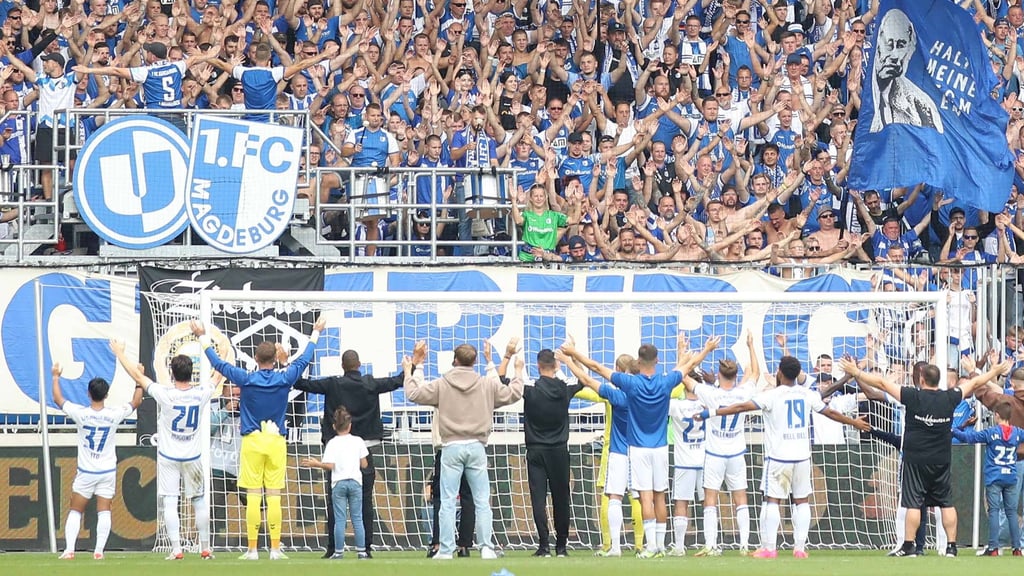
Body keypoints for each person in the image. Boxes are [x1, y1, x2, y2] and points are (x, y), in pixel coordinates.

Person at [839, 356, 1011, 557]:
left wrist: (856, 372)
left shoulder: (912, 395)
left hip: (915, 459)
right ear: (939, 381)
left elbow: (881, 383)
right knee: (946, 502)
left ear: (921, 380)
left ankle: (909, 545)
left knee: (913, 502)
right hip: (941, 458)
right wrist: (994, 370)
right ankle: (951, 547)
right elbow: (975, 382)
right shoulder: (950, 396)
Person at [192, 315, 325, 561]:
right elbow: (305, 359)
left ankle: (252, 549)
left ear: (255, 358)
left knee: (253, 495)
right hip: (276, 441)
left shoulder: (246, 379)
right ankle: (275, 548)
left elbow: (219, 365)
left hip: (252, 442)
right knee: (273, 495)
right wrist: (315, 332)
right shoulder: (285, 377)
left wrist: (202, 337)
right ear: (275, 359)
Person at [712, 356, 871, 559]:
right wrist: (853, 422)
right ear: (797, 373)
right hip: (802, 456)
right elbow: (829, 412)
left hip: (779, 457)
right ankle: (799, 548)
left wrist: (713, 412)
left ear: (779, 372)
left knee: (772, 501)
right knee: (802, 501)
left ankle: (769, 548)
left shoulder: (772, 395)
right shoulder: (807, 394)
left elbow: (740, 407)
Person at [563, 334, 705, 558]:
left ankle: (617, 547)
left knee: (616, 497)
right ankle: (652, 544)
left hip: (624, 450)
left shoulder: (619, 394)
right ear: (655, 362)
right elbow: (682, 373)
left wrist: (571, 358)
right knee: (655, 496)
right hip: (657, 448)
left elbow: (589, 378)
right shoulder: (664, 386)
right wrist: (686, 352)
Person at [294, 341, 426, 558]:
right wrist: (414, 364)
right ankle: (365, 548)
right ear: (360, 365)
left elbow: (302, 384)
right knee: (365, 502)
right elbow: (397, 382)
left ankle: (332, 549)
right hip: (364, 449)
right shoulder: (370, 383)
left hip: (337, 453)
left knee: (334, 503)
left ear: (342, 366)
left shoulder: (332, 384)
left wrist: (284, 362)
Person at [403, 340, 525, 560]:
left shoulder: (442, 383)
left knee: (448, 502)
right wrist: (518, 371)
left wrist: (412, 368)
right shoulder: (486, 384)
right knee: (481, 501)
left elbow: (413, 394)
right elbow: (513, 394)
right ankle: (486, 547)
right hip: (477, 445)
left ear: (455, 359)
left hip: (451, 446)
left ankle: (447, 549)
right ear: (475, 361)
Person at [110, 339, 216, 560]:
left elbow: (137, 376)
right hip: (192, 456)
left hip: (168, 456)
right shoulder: (201, 393)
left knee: (170, 500)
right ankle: (205, 547)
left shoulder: (165, 394)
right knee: (198, 500)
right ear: (192, 373)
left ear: (172, 373)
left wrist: (120, 353)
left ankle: (176, 549)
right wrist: (219, 351)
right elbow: (218, 375)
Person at [51, 362, 143, 560]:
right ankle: (99, 551)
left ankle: (69, 550)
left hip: (86, 470)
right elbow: (135, 402)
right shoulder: (113, 415)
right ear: (106, 395)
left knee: (76, 509)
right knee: (104, 510)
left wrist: (56, 376)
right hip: (107, 470)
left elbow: (58, 399)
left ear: (88, 393)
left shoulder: (81, 414)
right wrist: (139, 380)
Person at [558, 348, 645, 557]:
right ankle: (642, 545)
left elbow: (585, 383)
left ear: (617, 369)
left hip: (615, 451)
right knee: (639, 498)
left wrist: (569, 362)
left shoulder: (613, 394)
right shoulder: (645, 390)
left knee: (610, 498)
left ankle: (609, 544)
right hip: (642, 450)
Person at [522, 349, 585, 557]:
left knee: (538, 498)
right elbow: (582, 379)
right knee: (561, 498)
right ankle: (562, 547)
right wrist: (572, 358)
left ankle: (543, 546)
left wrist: (513, 362)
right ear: (556, 366)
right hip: (559, 451)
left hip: (536, 451)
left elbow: (506, 381)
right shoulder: (563, 388)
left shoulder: (530, 388)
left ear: (538, 365)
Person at [952, 401, 1024, 556]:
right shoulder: (1018, 432)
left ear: (997, 415)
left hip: (994, 476)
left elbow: (968, 438)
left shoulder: (991, 432)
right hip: (1010, 476)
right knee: (1011, 511)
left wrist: (956, 429)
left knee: (994, 511)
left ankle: (993, 548)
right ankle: (1017, 548)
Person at [301, 407, 370, 560]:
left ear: (334, 426)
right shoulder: (358, 441)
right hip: (355, 482)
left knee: (340, 519)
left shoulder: (332, 443)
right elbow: (364, 464)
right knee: (357, 518)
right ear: (350, 425)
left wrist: (316, 464)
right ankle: (362, 551)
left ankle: (338, 552)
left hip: (338, 483)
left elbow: (330, 466)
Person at [869, 9, 943, 133]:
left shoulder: (921, 106)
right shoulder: (864, 89)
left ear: (910, 49)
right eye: (889, 43)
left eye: (901, 45)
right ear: (878, 42)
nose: (894, 54)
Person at [210, 383, 246, 544]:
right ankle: (204, 540)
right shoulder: (213, 408)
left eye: (238, 395)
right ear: (223, 394)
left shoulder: (249, 411)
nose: (235, 399)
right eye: (232, 395)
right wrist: (226, 411)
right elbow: (205, 428)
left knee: (258, 505)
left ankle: (267, 539)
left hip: (242, 468)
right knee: (208, 507)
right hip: (217, 468)